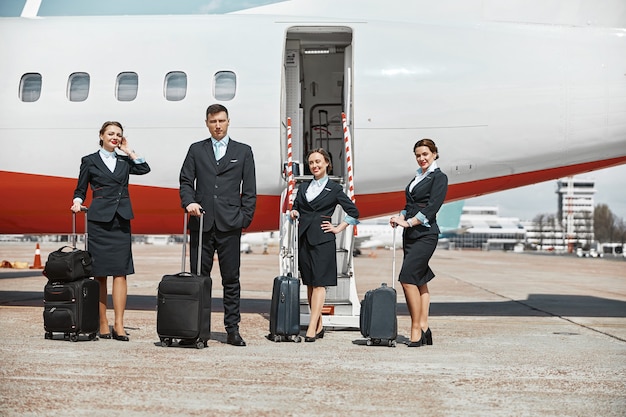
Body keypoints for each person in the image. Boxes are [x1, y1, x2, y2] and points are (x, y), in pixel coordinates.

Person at [179, 104, 257, 347]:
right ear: (207, 123)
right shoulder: (196, 149)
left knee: (230, 279)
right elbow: (185, 181)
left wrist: (244, 219)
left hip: (230, 225)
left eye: (222, 121)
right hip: (201, 224)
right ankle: (196, 330)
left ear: (228, 121)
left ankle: (232, 329)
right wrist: (189, 202)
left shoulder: (243, 151)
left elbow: (250, 191)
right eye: (213, 121)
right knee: (199, 279)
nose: (218, 125)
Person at [71, 121, 151, 341]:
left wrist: (128, 150)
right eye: (111, 134)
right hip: (99, 221)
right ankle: (103, 323)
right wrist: (77, 202)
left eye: (118, 135)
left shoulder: (125, 161)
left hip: (121, 219)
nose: (114, 137)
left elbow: (144, 168)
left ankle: (119, 324)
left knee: (121, 272)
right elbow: (80, 188)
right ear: (101, 135)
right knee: (100, 273)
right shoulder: (89, 161)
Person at [289, 148, 359, 342]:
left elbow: (353, 212)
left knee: (319, 283)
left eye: (318, 162)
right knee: (310, 283)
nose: (315, 166)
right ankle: (318, 324)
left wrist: (338, 228)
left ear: (327, 163)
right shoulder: (303, 188)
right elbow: (296, 207)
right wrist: (294, 212)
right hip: (304, 239)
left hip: (323, 240)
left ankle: (312, 327)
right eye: (311, 163)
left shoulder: (334, 189)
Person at [390, 138, 448, 347]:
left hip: (425, 234)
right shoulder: (417, 177)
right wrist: (400, 217)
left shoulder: (439, 177)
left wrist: (409, 223)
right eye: (418, 155)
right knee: (419, 279)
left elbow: (432, 207)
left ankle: (415, 327)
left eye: (425, 154)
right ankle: (424, 327)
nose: (421, 158)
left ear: (434, 154)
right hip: (411, 236)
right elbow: (410, 204)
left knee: (407, 279)